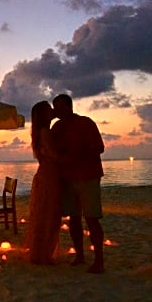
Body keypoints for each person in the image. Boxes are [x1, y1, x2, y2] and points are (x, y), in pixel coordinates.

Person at [51, 93, 106, 273]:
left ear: (69, 106)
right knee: (73, 218)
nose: (57, 111)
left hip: (88, 176)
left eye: (60, 107)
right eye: (55, 108)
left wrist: (77, 155)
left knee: (91, 218)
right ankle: (80, 255)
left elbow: (99, 147)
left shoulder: (85, 123)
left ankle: (99, 260)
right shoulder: (57, 127)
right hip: (67, 179)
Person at [22, 101, 62, 264]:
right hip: (50, 177)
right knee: (49, 217)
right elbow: (55, 156)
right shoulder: (45, 132)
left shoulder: (40, 132)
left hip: (45, 175)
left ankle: (41, 253)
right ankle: (44, 254)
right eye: (49, 109)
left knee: (43, 215)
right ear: (43, 115)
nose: (52, 110)